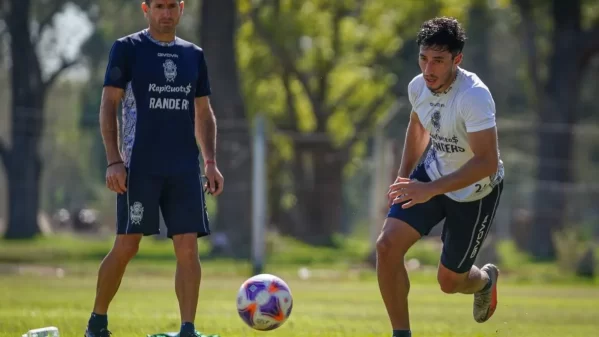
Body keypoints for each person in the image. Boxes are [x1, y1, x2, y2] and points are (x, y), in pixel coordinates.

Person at [85, 1, 224, 336]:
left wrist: (210, 161)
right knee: (127, 245)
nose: (166, 13)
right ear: (145, 8)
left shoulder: (194, 55)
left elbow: (203, 112)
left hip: (183, 168)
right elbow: (109, 104)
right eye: (159, 6)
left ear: (182, 8)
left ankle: (188, 329)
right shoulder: (127, 49)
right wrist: (114, 160)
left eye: (172, 6)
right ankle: (97, 323)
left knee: (188, 247)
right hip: (139, 167)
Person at [378, 17, 504, 337]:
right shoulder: (418, 86)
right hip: (431, 174)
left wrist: (429, 190)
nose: (428, 69)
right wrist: (404, 178)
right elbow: (419, 126)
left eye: (438, 61)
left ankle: (485, 281)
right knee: (387, 246)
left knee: (449, 283)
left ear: (457, 60)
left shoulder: (473, 96)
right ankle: (401, 333)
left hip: (474, 191)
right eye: (423, 58)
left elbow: (487, 162)